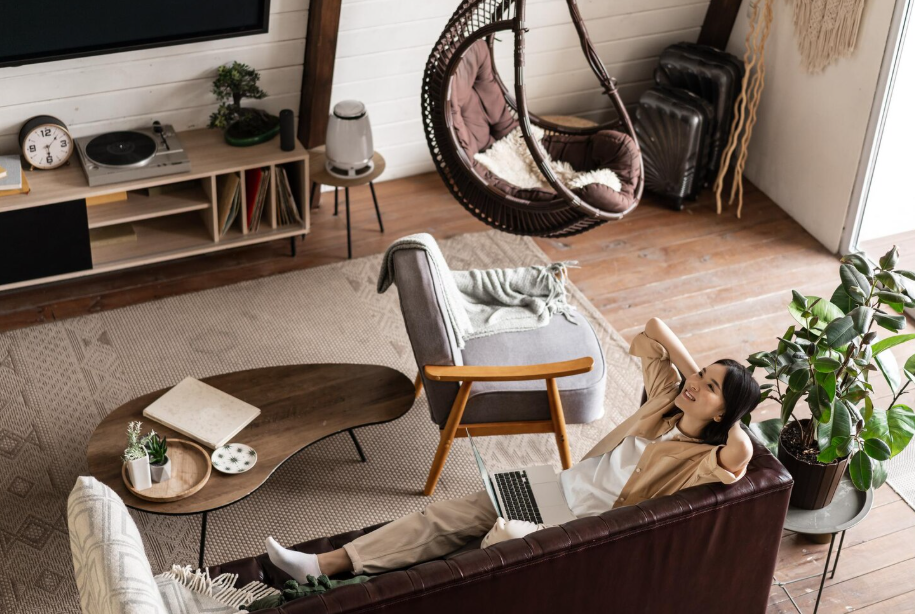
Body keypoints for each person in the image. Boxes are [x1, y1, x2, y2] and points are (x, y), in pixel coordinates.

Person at [265, 317, 759, 580]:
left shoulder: (703, 461)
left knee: (492, 546)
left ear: (724, 413)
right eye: (700, 373)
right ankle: (326, 566)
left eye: (711, 387)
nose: (695, 381)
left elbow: (742, 451)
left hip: (579, 523)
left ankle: (405, 589)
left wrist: (724, 402)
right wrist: (695, 383)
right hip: (557, 488)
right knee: (447, 517)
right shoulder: (666, 404)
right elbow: (653, 328)